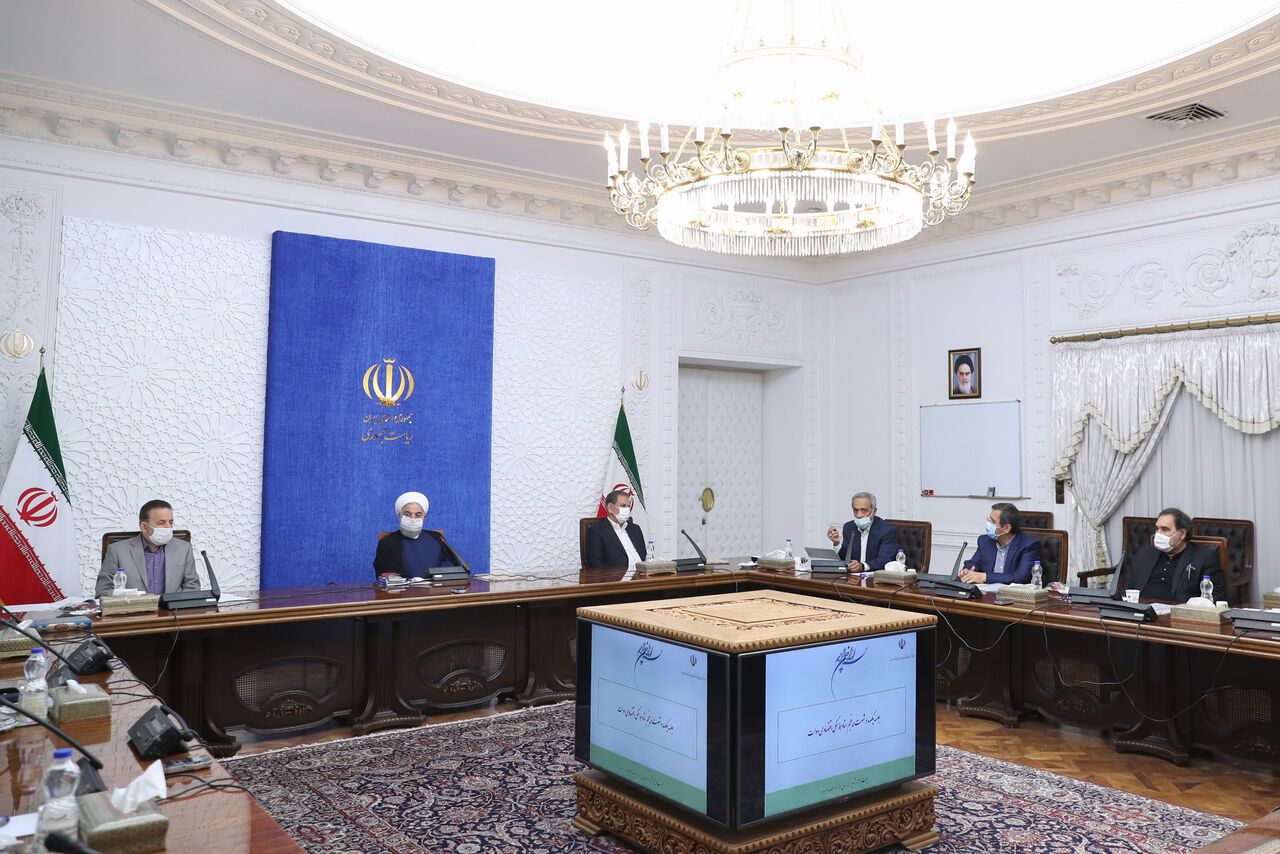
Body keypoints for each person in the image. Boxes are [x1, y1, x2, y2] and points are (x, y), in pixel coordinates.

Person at [96, 499, 200, 597]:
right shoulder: (117, 551)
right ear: (144, 527)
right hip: (134, 609)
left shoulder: (183, 549)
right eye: (161, 523)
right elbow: (103, 592)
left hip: (172, 609)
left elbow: (193, 588)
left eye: (171, 522)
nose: (168, 527)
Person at [1127, 507, 1225, 603]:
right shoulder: (1145, 554)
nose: (1158, 534)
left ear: (1182, 534)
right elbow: (1128, 588)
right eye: (1157, 529)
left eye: (1165, 529)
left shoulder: (1204, 557)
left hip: (1179, 611)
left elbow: (1216, 596)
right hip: (1142, 609)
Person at [374, 491, 455, 579]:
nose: (412, 519)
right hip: (405, 587)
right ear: (400, 515)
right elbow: (385, 573)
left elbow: (451, 566)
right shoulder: (387, 543)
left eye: (417, 515)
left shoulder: (437, 538)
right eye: (407, 514)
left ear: (424, 517)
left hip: (435, 586)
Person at [959, 502, 1041, 584]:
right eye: (989, 520)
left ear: (1006, 528)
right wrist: (966, 572)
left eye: (992, 521)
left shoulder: (1029, 545)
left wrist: (985, 577)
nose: (988, 524)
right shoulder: (984, 541)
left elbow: (1021, 577)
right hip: (985, 590)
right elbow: (973, 564)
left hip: (1011, 591)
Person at [826, 492, 899, 571]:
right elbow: (846, 559)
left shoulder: (887, 530)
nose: (859, 515)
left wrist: (862, 566)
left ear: (874, 511)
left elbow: (885, 560)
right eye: (855, 510)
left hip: (875, 575)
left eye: (864, 510)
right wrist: (837, 543)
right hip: (853, 576)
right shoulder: (849, 527)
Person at [585, 489, 645, 570]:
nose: (627, 510)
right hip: (616, 576)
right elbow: (596, 563)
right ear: (610, 508)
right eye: (623, 506)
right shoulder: (596, 531)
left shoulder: (635, 529)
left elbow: (644, 556)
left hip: (642, 574)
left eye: (628, 506)